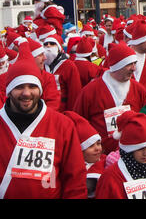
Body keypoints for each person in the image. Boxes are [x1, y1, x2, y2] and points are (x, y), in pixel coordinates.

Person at [0, 42, 87, 198]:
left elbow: (75, 181)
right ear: (9, 90)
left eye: (32, 87)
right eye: (19, 87)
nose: (26, 93)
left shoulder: (62, 125)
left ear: (40, 90)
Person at [73, 42, 146, 154]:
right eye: (129, 64)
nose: (134, 68)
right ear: (117, 65)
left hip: (134, 153)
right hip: (101, 156)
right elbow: (78, 122)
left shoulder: (139, 89)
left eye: (134, 63)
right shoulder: (90, 91)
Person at [63, 110, 106, 199]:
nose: (97, 148)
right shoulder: (74, 169)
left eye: (98, 143)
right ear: (79, 151)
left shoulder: (107, 161)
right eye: (90, 146)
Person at [43, 33, 82, 112]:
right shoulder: (41, 65)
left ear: (59, 47)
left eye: (52, 43)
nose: (48, 46)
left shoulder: (68, 65)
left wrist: (71, 113)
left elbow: (74, 92)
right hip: (44, 110)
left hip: (62, 110)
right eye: (46, 44)